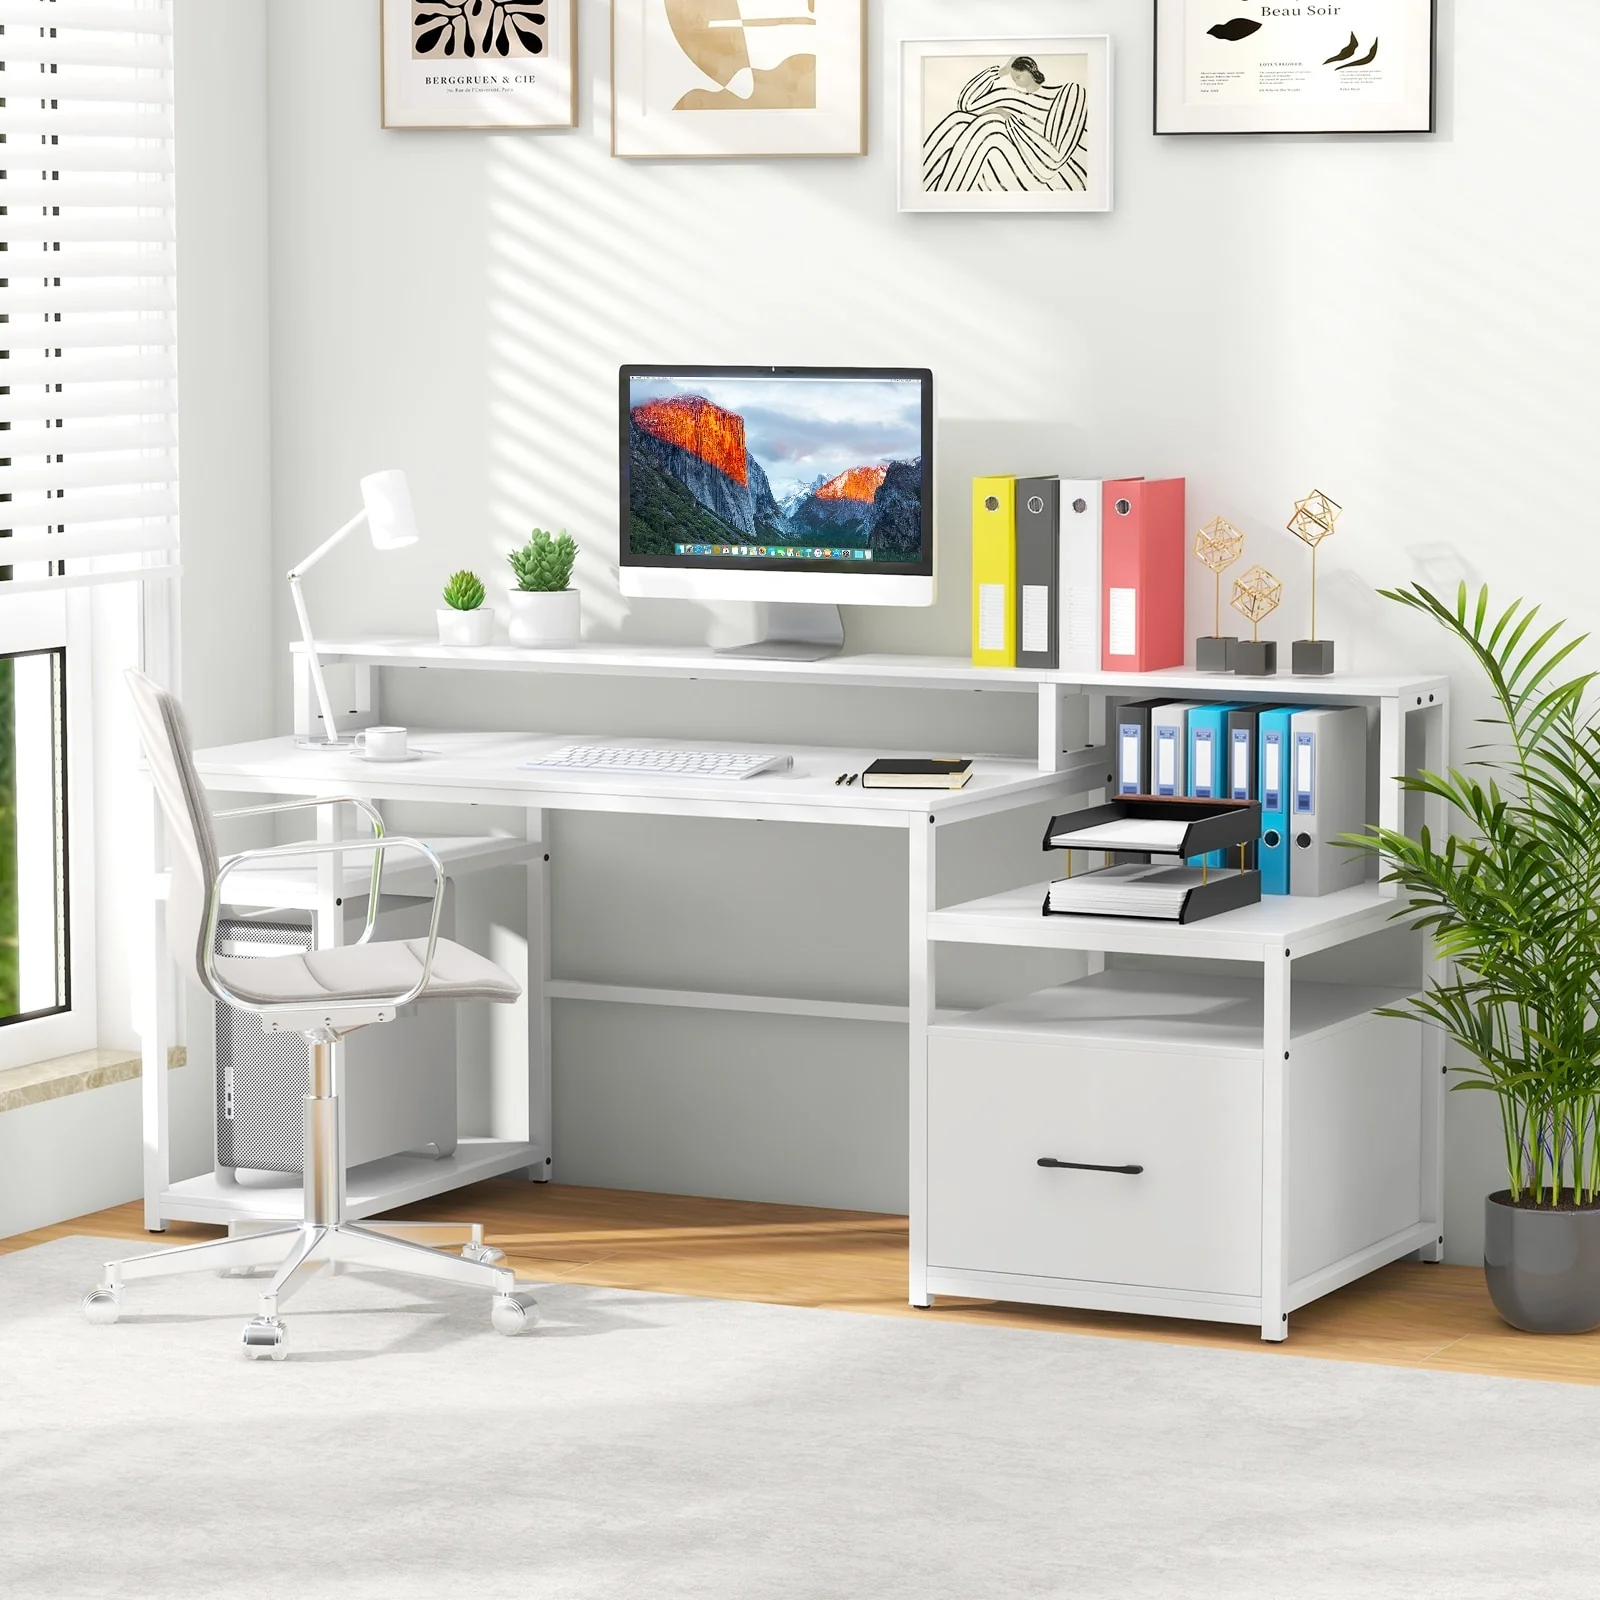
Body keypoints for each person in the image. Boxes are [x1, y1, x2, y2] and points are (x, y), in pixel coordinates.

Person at [923, 57, 1089, 193]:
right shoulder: (1012, 97)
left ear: (1030, 70)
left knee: (991, 126)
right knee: (959, 120)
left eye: (1018, 76)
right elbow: (965, 105)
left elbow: (1052, 162)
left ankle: (945, 199)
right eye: (1013, 77)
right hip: (1012, 166)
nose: (1015, 81)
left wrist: (1009, 122)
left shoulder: (1069, 92)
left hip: (1053, 179)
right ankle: (925, 189)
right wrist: (1001, 72)